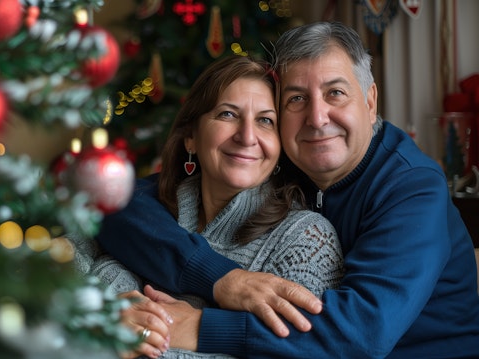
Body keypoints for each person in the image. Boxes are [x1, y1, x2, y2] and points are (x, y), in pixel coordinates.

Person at [94, 22, 479, 358]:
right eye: (296, 98)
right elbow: (120, 201)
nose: (316, 118)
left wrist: (198, 327)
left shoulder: (411, 188)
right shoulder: (288, 161)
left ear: (370, 101)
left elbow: (363, 334)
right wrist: (221, 278)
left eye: (335, 93)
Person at [71, 54, 344, 359]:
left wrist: (144, 340)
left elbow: (292, 350)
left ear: (279, 147)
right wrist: (108, 310)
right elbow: (46, 275)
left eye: (265, 121)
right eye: (227, 114)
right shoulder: (142, 210)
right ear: (191, 137)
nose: (247, 136)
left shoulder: (306, 239)